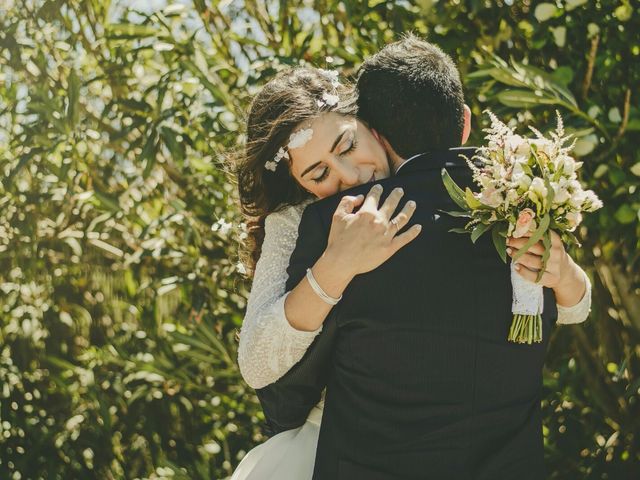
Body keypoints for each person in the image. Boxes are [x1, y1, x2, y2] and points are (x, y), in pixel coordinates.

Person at [249, 35, 592, 480]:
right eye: (319, 173)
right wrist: (334, 268)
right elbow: (262, 364)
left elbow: (570, 304)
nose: (351, 178)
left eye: (348, 147)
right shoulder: (518, 202)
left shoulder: (514, 207)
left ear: (375, 130)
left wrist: (563, 273)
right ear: (465, 123)